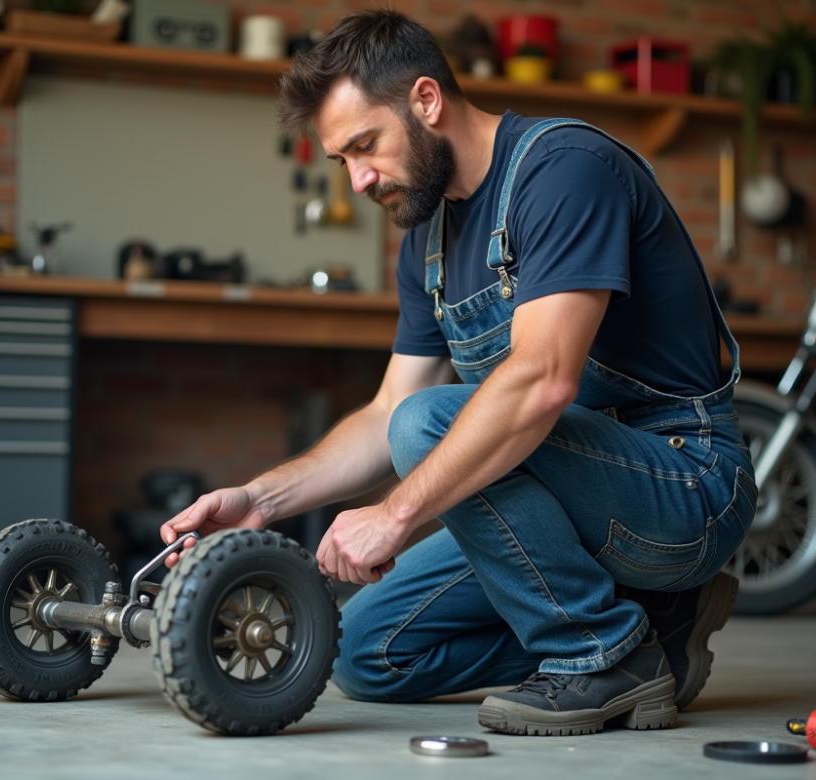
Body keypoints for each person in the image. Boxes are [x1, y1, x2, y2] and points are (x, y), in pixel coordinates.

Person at [160, 9, 756, 737]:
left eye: (364, 146)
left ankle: (600, 656)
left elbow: (542, 380)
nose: (358, 179)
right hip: (567, 503)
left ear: (427, 100)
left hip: (682, 486)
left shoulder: (564, 170)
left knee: (433, 423)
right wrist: (260, 499)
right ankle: (655, 635)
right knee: (364, 653)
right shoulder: (429, 240)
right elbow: (385, 414)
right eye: (341, 160)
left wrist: (395, 517)